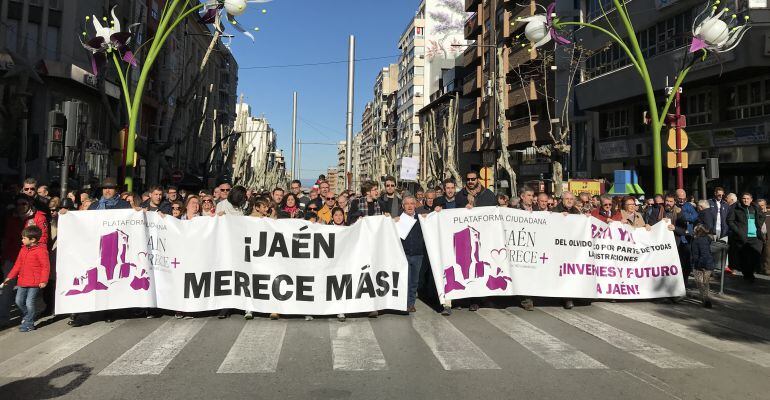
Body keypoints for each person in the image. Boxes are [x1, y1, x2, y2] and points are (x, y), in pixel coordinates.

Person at [0, 226, 50, 332]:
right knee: (18, 301)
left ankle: (29, 323)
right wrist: (9, 277)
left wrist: (43, 280)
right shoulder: (23, 249)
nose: (22, 240)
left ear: (33, 240)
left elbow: (45, 267)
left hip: (35, 282)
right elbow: (17, 265)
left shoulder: (41, 251)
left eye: (24, 238)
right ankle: (28, 315)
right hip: (22, 281)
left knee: (29, 302)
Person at [727, 193, 766, 283]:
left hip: (755, 236)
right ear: (741, 199)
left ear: (751, 199)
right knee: (745, 257)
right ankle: (748, 275)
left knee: (755, 256)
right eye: (744, 198)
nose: (745, 200)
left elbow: (762, 216)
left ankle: (750, 273)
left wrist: (758, 225)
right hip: (743, 237)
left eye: (748, 198)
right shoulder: (736, 208)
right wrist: (738, 231)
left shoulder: (755, 207)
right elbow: (730, 221)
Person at [399, 196, 426, 313]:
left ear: (415, 205)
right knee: (405, 281)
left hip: (418, 255)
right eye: (407, 204)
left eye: (412, 203)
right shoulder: (398, 219)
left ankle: (411, 304)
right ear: (403, 206)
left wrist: (436, 212)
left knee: (414, 281)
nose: (410, 206)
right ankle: (404, 303)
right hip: (404, 255)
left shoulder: (421, 218)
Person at [690, 224, 715, 308]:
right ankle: (706, 298)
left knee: (700, 283)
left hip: (699, 265)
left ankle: (705, 300)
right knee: (706, 282)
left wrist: (698, 265)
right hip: (709, 264)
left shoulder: (696, 241)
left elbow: (696, 255)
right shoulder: (708, 239)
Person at [758, 198, 769, 275]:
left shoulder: (768, 213)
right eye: (759, 206)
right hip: (758, 235)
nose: (760, 207)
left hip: (767, 235)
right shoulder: (755, 213)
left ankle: (767, 269)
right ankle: (759, 268)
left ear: (765, 205)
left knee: (767, 253)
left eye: (762, 205)